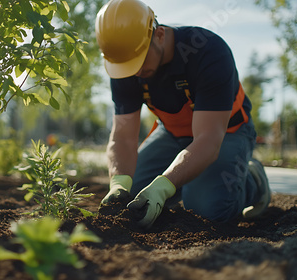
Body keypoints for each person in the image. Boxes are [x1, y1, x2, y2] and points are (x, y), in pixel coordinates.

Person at [95, 0, 271, 229]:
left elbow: (207, 140)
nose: (135, 72)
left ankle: (251, 180)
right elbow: (122, 137)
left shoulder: (208, 52)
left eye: (140, 60)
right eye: (127, 65)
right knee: (133, 197)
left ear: (159, 34)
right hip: (171, 133)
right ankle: (186, 183)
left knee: (206, 209)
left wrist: (164, 185)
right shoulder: (125, 66)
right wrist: (118, 184)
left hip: (227, 132)